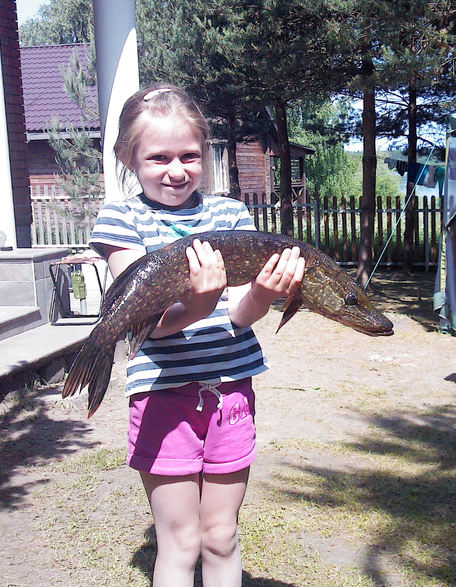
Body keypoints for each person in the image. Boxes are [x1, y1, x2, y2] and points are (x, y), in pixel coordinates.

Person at [88, 83, 305, 586]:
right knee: (181, 541)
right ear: (129, 156)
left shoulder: (229, 215)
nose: (176, 169)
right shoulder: (122, 218)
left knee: (221, 536)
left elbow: (240, 315)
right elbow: (146, 321)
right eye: (159, 157)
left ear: (205, 154)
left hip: (231, 393)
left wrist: (265, 293)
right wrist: (198, 302)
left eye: (189, 155)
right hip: (163, 397)